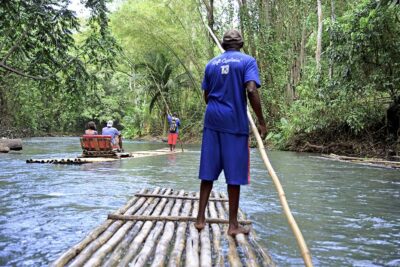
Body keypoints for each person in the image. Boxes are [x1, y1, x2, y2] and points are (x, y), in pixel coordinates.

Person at [195, 29, 267, 236]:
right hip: (234, 122)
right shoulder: (247, 61)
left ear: (225, 45)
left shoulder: (211, 64)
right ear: (241, 44)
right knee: (234, 174)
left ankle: (200, 219)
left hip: (212, 120)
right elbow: (251, 89)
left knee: (208, 171)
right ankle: (233, 224)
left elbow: (207, 96)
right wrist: (261, 121)